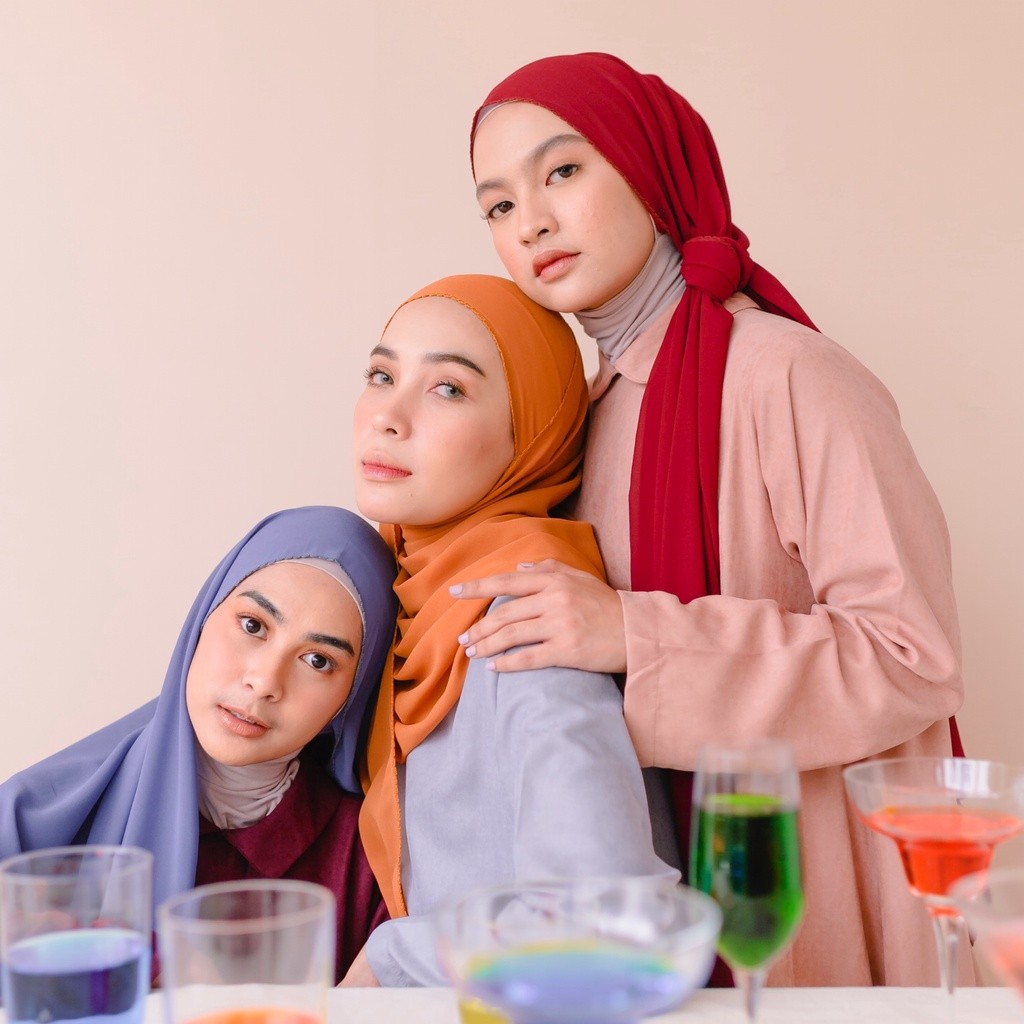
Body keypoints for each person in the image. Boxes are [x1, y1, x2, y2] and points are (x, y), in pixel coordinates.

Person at [456, 52, 969, 986]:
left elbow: (912, 657)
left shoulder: (791, 376)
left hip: (802, 899)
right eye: (497, 205)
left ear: (650, 171)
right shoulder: (577, 419)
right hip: (644, 913)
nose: (530, 221)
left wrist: (634, 635)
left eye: (562, 170)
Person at [347, 274, 675, 987]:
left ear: (531, 440)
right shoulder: (408, 603)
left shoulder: (527, 633)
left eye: (448, 389)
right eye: (381, 376)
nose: (388, 418)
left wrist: (388, 961)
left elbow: (607, 928)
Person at [0, 505, 397, 983]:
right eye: (253, 625)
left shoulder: (373, 859)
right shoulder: (30, 820)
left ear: (351, 696)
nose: (264, 681)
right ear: (202, 620)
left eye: (318, 660)